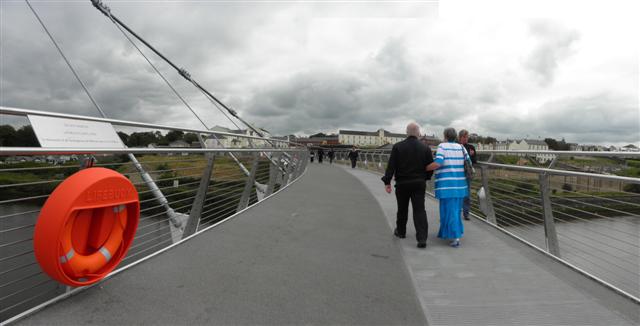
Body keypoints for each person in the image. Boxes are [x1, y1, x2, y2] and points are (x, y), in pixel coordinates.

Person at [381, 122, 434, 249]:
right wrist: (425, 178)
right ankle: (421, 238)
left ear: (406, 132)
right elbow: (430, 167)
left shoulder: (398, 147)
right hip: (418, 183)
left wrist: (387, 182)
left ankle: (401, 231)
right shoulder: (425, 148)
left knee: (402, 208)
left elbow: (391, 166)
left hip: (402, 183)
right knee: (419, 210)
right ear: (418, 133)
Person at [426, 127, 470, 248]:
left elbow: (438, 162)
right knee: (454, 210)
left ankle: (455, 237)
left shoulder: (442, 146)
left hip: (447, 186)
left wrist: (425, 167)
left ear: (445, 136)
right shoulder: (461, 147)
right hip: (460, 185)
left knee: (448, 211)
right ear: (455, 137)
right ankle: (447, 233)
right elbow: (469, 163)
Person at [458, 129, 477, 221]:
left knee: (467, 194)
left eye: (467, 137)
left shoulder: (471, 147)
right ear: (460, 137)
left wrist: (471, 155)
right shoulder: (456, 146)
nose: (466, 138)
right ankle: (456, 212)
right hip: (458, 173)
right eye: (464, 137)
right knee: (457, 193)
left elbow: (474, 161)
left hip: (467, 174)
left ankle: (466, 213)